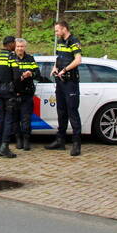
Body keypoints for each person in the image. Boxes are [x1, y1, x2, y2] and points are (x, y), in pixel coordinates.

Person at [47, 20, 83, 156]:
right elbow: (59, 57)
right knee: (61, 112)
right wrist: (55, 67)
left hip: (71, 82)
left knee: (72, 112)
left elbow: (78, 60)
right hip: (60, 82)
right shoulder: (61, 42)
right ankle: (60, 140)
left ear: (64, 29)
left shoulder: (74, 41)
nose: (56, 33)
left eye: (57, 30)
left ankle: (76, 144)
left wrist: (65, 70)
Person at [0, 35, 19, 158]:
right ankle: (5, 147)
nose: (15, 46)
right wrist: (15, 89)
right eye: (14, 44)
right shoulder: (11, 57)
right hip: (9, 92)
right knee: (8, 119)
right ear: (10, 44)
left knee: (0, 119)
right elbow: (16, 76)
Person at [13, 38, 39, 151]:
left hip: (27, 94)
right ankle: (18, 140)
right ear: (15, 47)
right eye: (18, 46)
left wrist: (31, 73)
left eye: (22, 46)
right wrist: (21, 76)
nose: (20, 48)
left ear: (25, 47)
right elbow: (9, 75)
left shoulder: (30, 59)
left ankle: (26, 140)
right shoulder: (11, 58)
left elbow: (38, 74)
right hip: (14, 94)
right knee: (15, 119)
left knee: (26, 119)